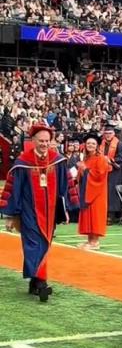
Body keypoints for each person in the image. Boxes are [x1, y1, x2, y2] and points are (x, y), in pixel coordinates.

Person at [0, 124, 78, 302]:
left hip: (50, 212)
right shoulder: (23, 162)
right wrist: (11, 215)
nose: (44, 144)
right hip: (29, 211)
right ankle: (41, 283)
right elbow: (14, 189)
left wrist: (66, 209)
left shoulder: (57, 161)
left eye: (47, 141)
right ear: (33, 141)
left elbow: (65, 185)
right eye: (41, 141)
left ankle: (34, 282)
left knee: (44, 245)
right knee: (33, 245)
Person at [77, 132, 111, 251]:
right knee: (88, 215)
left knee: (95, 216)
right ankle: (90, 240)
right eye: (88, 143)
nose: (90, 145)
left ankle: (95, 242)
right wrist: (81, 170)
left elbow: (100, 175)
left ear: (97, 146)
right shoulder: (86, 158)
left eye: (93, 143)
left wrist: (85, 169)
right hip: (87, 190)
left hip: (97, 192)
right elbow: (83, 175)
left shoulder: (101, 158)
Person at [100, 121, 122, 224]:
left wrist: (110, 160)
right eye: (106, 133)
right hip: (102, 171)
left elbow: (121, 158)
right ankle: (102, 215)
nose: (108, 135)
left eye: (110, 133)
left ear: (114, 133)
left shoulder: (119, 144)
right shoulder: (101, 144)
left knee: (112, 193)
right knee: (103, 192)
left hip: (114, 172)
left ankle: (111, 216)